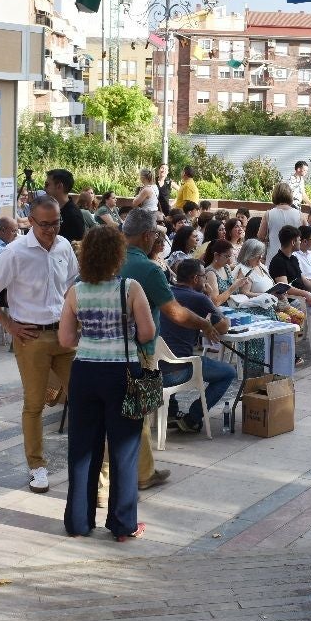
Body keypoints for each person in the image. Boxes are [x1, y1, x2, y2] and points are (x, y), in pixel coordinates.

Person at [114, 209, 223, 494]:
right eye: (157, 235)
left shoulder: (109, 259)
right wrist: (203, 324)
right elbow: (175, 312)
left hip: (105, 349)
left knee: (121, 414)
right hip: (142, 351)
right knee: (139, 413)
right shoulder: (149, 269)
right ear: (148, 235)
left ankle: (140, 471)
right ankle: (136, 474)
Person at [0, 196, 79, 494]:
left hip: (65, 334)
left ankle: (84, 459)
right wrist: (8, 324)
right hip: (31, 337)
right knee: (33, 405)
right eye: (44, 224)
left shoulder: (63, 246)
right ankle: (37, 467)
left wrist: (77, 317)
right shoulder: (15, 252)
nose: (51, 229)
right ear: (30, 221)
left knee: (82, 400)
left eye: (56, 222)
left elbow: (73, 283)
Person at [58, 226, 156, 540]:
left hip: (84, 372)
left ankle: (78, 522)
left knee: (83, 449)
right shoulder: (130, 288)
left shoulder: (76, 290)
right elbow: (147, 333)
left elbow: (66, 338)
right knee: (123, 450)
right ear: (118, 255)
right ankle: (122, 525)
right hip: (122, 374)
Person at [159, 259, 236, 433]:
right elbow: (223, 326)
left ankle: (171, 412)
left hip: (154, 368)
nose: (206, 281)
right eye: (204, 277)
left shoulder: (166, 293)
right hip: (178, 371)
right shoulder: (198, 298)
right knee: (228, 372)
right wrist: (210, 301)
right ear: (195, 278)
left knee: (174, 351)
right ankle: (192, 418)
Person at [258, 182, 302, 262]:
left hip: (273, 255)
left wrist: (269, 238)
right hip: (294, 255)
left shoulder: (269, 214)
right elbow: (306, 233)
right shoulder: (299, 214)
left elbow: (260, 236)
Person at [204, 239, 251, 306]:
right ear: (216, 255)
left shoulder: (226, 267)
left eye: (230, 256)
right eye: (226, 256)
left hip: (234, 306)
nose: (229, 261)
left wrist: (240, 283)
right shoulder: (210, 273)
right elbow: (215, 302)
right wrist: (234, 286)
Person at [46, 169, 86, 243]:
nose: (44, 188)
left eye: (47, 184)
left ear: (59, 186)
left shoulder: (73, 215)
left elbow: (74, 247)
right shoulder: (53, 208)